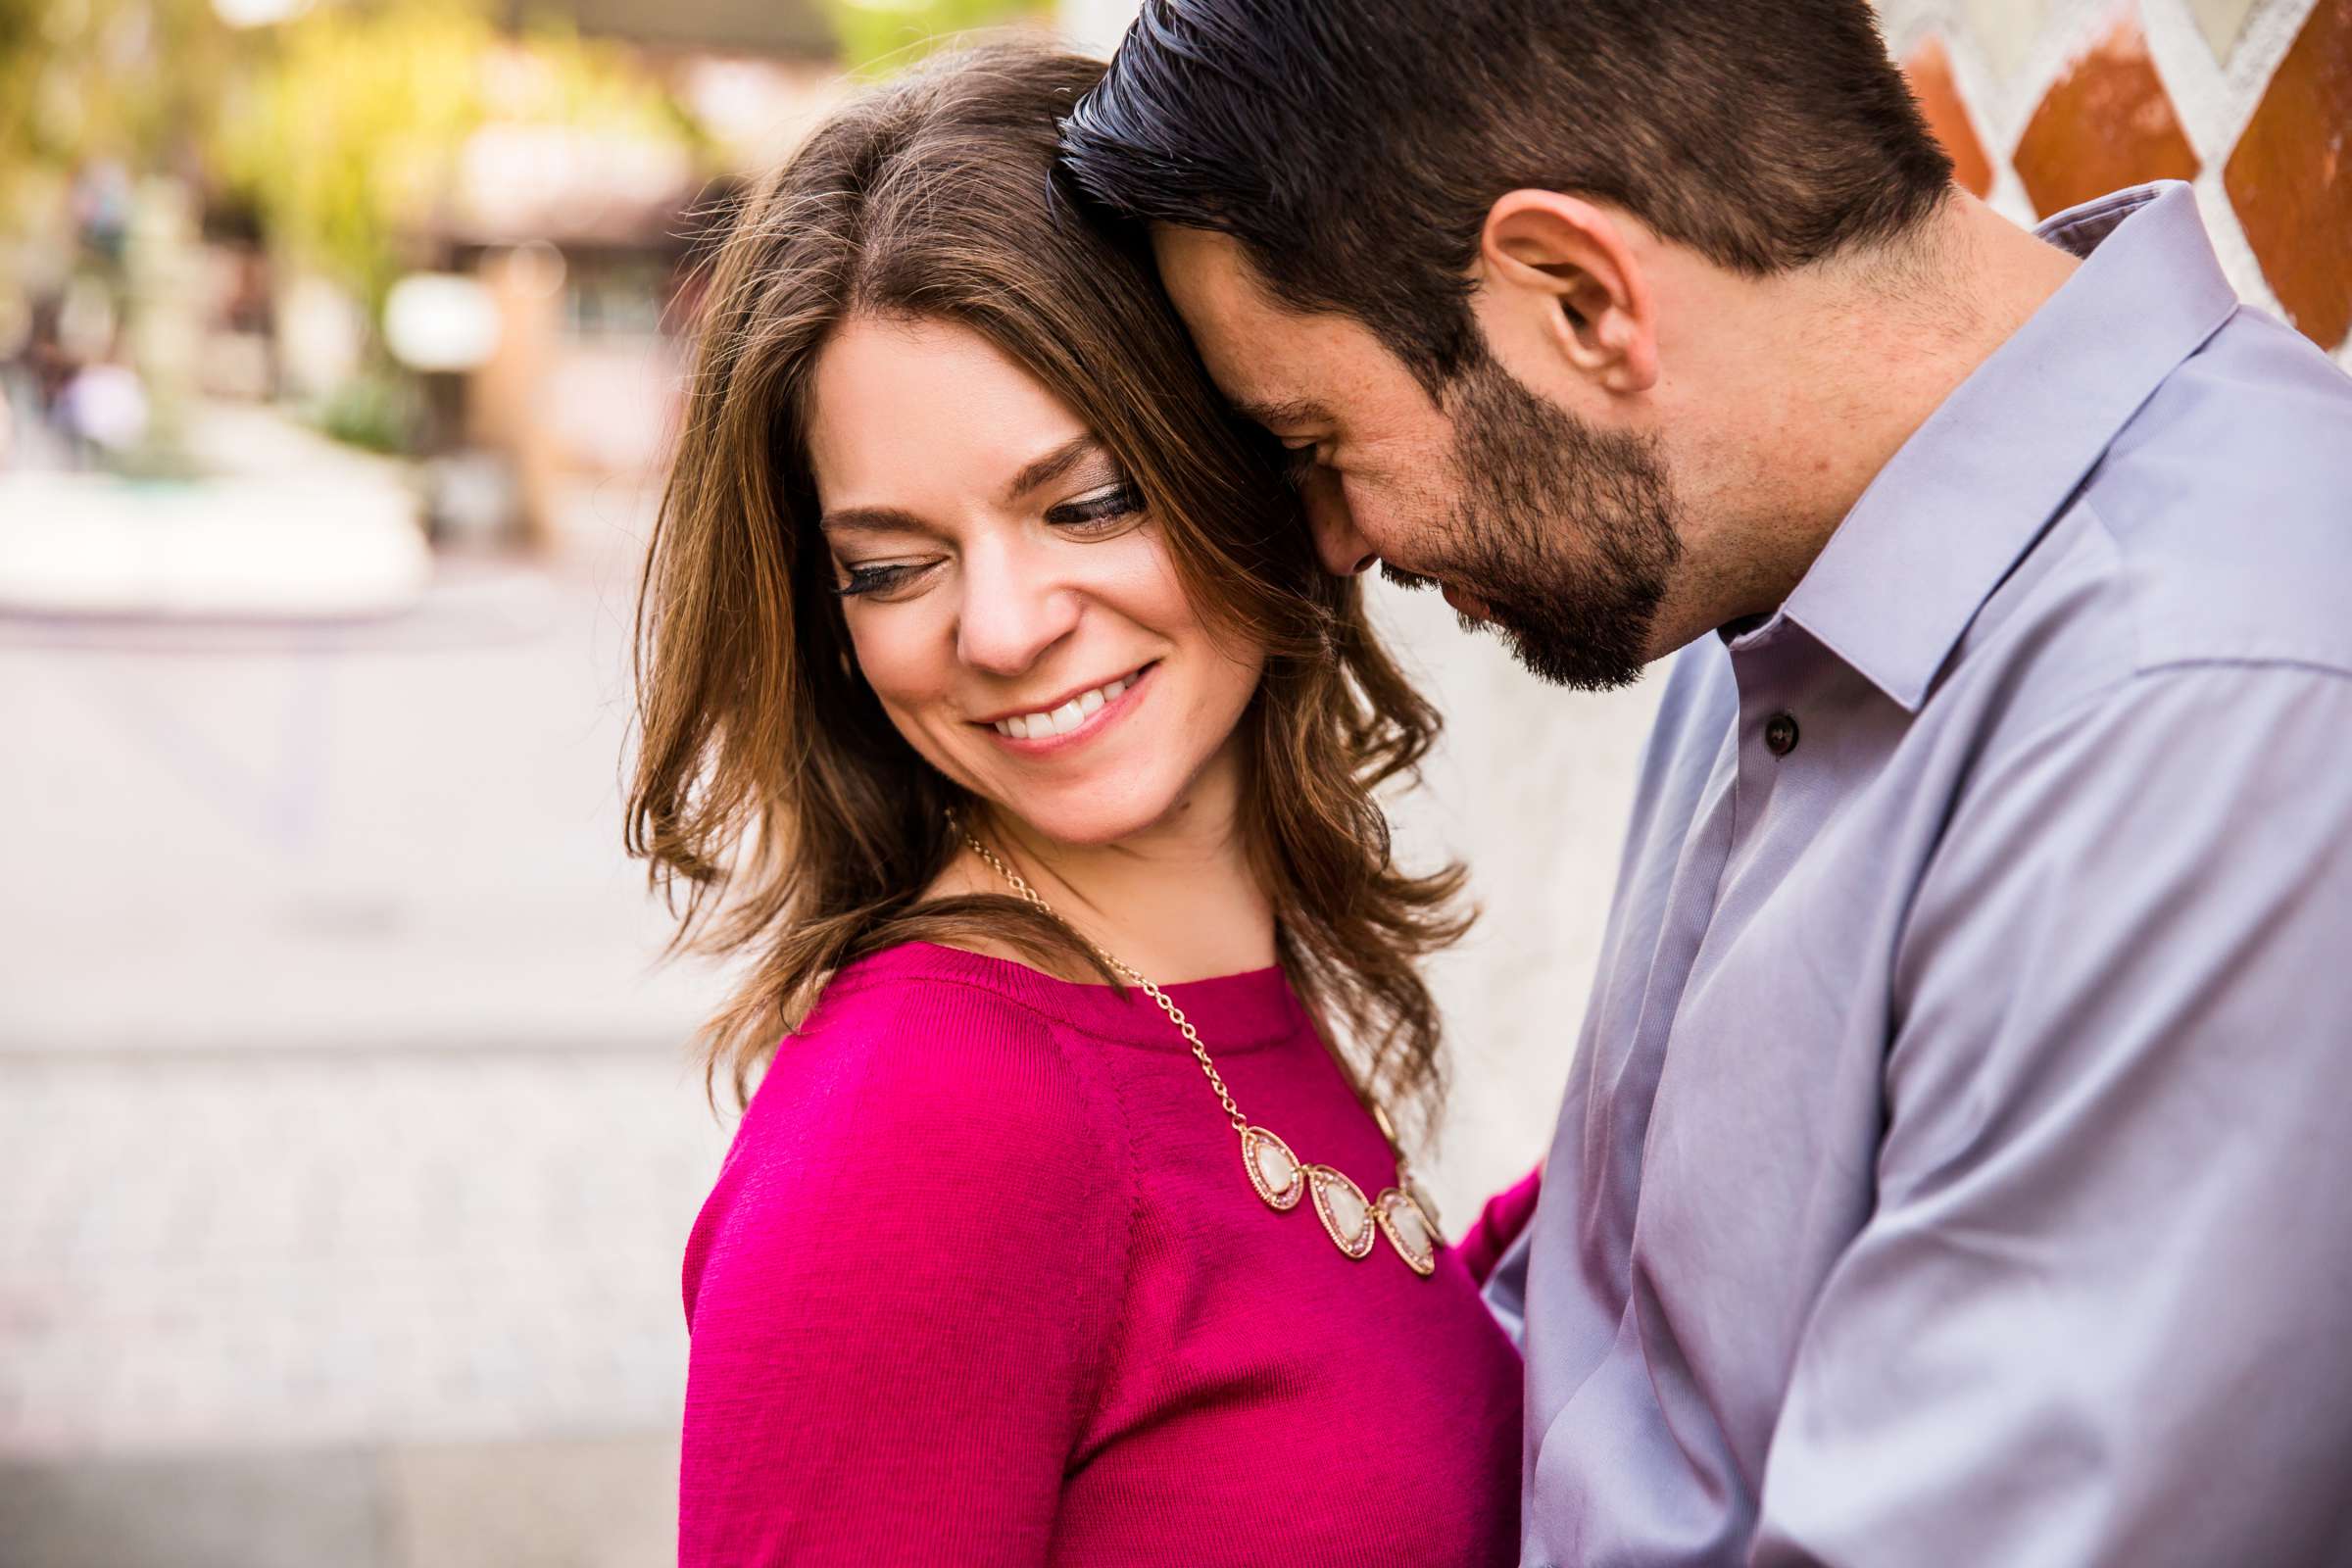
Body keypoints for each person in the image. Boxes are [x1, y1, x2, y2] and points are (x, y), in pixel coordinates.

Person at [1061, 2, 2352, 1563]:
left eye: (1317, 439)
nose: (1339, 544)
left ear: (1579, 298)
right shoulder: (1775, 583)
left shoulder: (2200, 710)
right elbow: (1618, 1381)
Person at [630, 44, 1537, 1567]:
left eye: (1086, 502)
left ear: (1258, 452)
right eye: (894, 564)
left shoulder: (1208, 992)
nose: (998, 627)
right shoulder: (926, 1128)